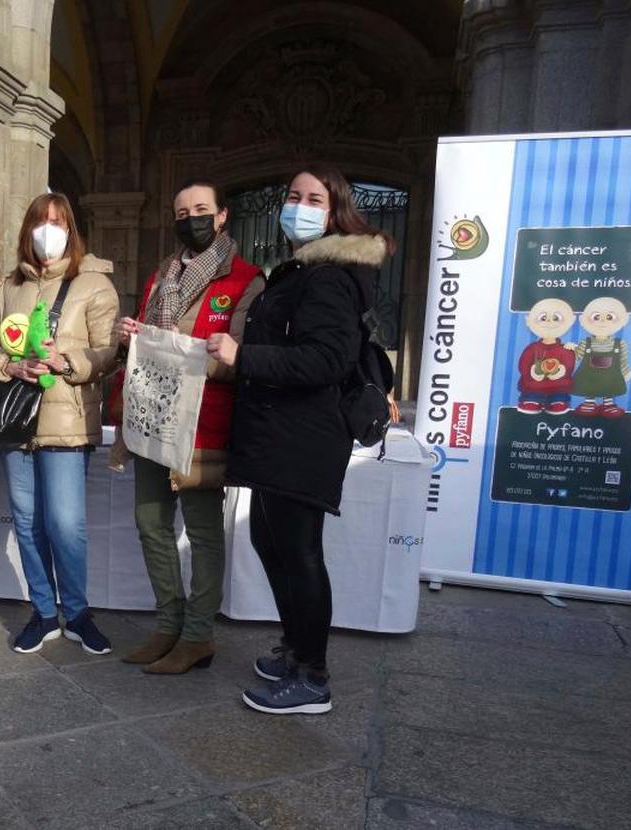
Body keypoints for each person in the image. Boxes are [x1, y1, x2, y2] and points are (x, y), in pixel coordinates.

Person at [207, 163, 393, 715]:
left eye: (315, 198)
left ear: (335, 212)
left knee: (300, 552)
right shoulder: (301, 271)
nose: (301, 205)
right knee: (271, 543)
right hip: (278, 433)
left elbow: (326, 359)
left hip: (304, 436)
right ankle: (294, 647)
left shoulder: (330, 275)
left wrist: (244, 357)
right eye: (293, 195)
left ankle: (312, 676)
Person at [115, 179, 264, 674]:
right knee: (150, 523)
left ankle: (198, 635)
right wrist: (132, 337)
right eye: (182, 212)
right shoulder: (163, 276)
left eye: (201, 209)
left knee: (201, 532)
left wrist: (191, 352)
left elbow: (241, 357)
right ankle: (168, 623)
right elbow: (149, 336)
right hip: (152, 418)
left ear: (222, 216)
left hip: (203, 425)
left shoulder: (245, 279)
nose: (191, 218)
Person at [0, 193, 120, 655]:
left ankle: (77, 612)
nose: (48, 231)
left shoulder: (94, 284)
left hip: (67, 419)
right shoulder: (7, 286)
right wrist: (7, 366)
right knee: (26, 520)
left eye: (58, 222)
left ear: (71, 230)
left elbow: (108, 352)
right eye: (40, 222)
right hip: (17, 421)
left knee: (65, 523)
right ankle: (43, 611)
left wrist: (67, 361)